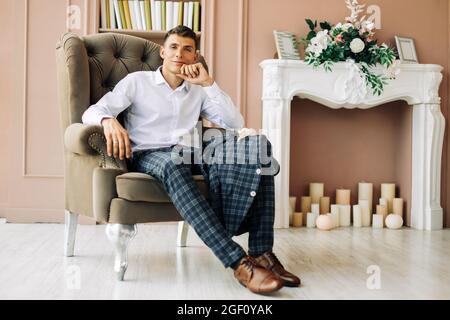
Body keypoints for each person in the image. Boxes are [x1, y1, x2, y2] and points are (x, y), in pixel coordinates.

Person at [82, 25, 300, 294]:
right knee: (174, 163)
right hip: (150, 154)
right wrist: (108, 121)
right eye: (173, 47)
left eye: (187, 49)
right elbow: (94, 110)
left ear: (195, 56)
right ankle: (238, 261)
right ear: (163, 52)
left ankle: (262, 252)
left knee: (257, 150)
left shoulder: (198, 89)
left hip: (193, 150)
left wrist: (208, 84)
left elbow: (234, 122)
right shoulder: (137, 82)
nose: (179, 54)